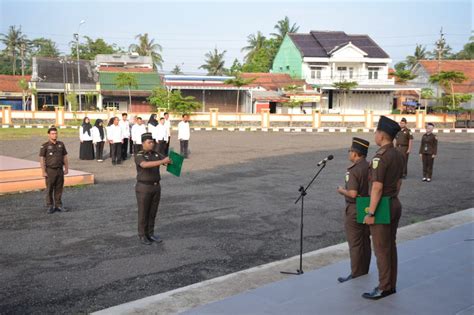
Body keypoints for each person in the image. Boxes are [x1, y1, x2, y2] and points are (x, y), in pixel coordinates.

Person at [362, 116, 404, 300]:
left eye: (376, 132)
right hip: (394, 202)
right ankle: (390, 284)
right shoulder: (398, 154)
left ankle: (384, 287)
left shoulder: (381, 157)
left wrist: (371, 212)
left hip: (381, 206)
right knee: (390, 247)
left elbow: (377, 187)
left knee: (381, 249)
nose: (374, 134)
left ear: (382, 135)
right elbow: (399, 182)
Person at [336, 137, 371, 283]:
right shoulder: (368, 166)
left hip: (355, 207)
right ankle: (364, 269)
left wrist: (341, 190)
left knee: (355, 242)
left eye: (350, 151)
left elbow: (353, 194)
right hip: (367, 205)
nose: (349, 153)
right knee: (365, 240)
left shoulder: (354, 170)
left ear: (355, 153)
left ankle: (356, 273)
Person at [134, 132, 171, 245]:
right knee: (143, 212)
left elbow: (167, 161)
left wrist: (172, 161)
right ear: (143, 143)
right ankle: (142, 235)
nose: (152, 144)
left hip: (156, 186)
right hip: (144, 187)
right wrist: (162, 162)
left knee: (152, 212)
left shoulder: (155, 154)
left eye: (152, 142)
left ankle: (150, 233)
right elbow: (144, 165)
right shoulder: (139, 155)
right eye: (149, 142)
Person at [39, 127, 69, 214]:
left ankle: (58, 205)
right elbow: (42, 159)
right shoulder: (45, 146)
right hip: (50, 170)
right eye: (52, 133)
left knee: (59, 188)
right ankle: (50, 206)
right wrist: (43, 171)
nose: (54, 135)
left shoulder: (61, 144)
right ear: (48, 135)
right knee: (49, 189)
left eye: (56, 133)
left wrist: (66, 168)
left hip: (60, 170)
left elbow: (65, 157)